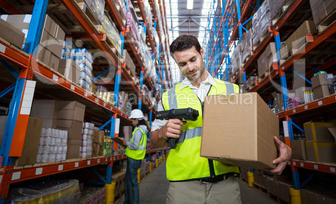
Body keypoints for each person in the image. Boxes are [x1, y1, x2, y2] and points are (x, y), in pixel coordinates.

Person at [150, 34, 292, 204]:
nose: (189, 67)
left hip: (225, 186)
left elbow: (255, 130)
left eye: (193, 59)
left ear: (202, 53)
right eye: (182, 64)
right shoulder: (168, 97)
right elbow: (154, 142)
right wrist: (163, 132)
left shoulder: (231, 90)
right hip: (183, 188)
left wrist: (281, 150)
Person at [122, 109, 149, 204]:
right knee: (129, 181)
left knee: (133, 183)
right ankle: (128, 201)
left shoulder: (138, 131)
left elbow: (135, 146)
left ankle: (134, 202)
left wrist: (126, 143)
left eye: (132, 120)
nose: (132, 122)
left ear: (137, 120)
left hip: (133, 159)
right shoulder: (143, 130)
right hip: (135, 159)